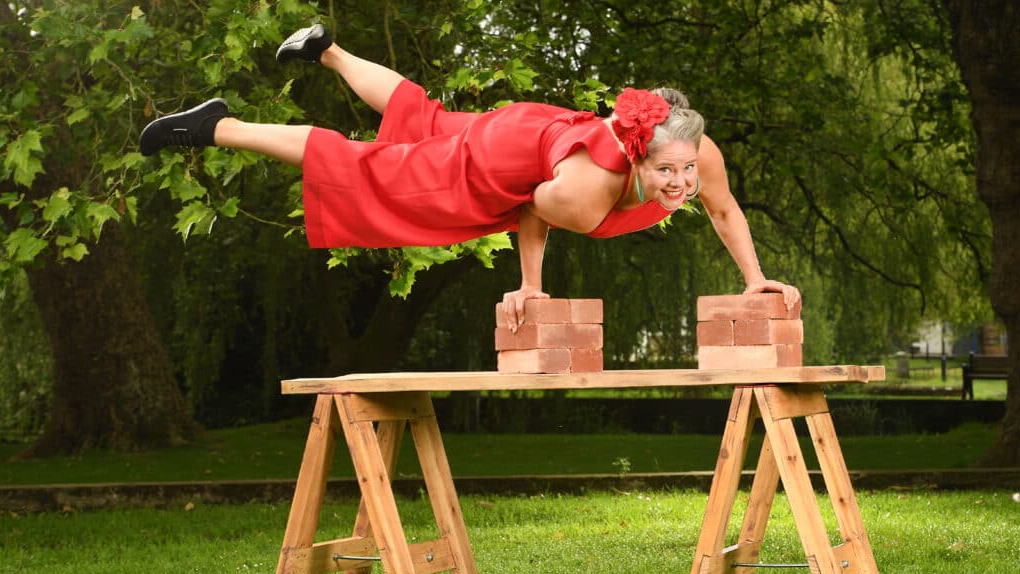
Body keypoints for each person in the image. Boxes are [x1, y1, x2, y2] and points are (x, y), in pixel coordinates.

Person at [140, 24, 800, 331]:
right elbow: (529, 208)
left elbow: (722, 209)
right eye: (666, 172)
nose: (682, 182)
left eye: (687, 168)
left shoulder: (690, 143)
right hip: (492, 166)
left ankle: (325, 48)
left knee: (419, 116)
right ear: (635, 155)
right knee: (363, 168)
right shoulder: (588, 191)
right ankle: (215, 127)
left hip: (526, 129)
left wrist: (752, 276)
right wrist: (530, 286)